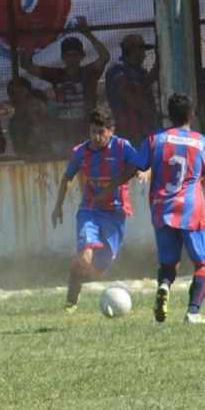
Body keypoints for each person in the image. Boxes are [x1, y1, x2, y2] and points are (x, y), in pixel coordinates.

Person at [97, 93, 205, 324]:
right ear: (191, 115)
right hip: (192, 210)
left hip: (163, 208)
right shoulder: (203, 143)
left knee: (168, 263)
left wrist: (109, 187)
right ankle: (193, 312)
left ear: (168, 115)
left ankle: (164, 286)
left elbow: (134, 168)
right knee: (204, 263)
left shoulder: (155, 139)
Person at [51, 107, 137, 313]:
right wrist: (58, 206)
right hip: (90, 209)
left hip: (116, 213)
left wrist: (146, 172)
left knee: (98, 271)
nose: (96, 137)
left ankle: (78, 277)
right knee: (84, 257)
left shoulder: (122, 147)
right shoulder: (80, 152)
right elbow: (68, 177)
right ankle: (71, 302)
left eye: (101, 132)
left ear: (111, 130)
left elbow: (141, 163)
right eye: (93, 132)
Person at [21, 16, 110, 154]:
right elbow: (26, 64)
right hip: (64, 133)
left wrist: (87, 33)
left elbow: (105, 57)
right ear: (63, 58)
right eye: (68, 55)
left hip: (88, 130)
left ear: (81, 56)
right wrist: (35, 37)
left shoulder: (88, 72)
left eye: (75, 55)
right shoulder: (57, 75)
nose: (72, 59)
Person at [105, 33, 159, 148]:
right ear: (133, 50)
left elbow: (148, 80)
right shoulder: (118, 67)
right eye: (142, 50)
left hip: (143, 130)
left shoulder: (138, 70)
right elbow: (128, 95)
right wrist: (151, 112)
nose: (144, 55)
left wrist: (159, 60)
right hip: (127, 131)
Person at [7, 77, 54, 158]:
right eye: (12, 94)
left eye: (21, 93)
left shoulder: (50, 108)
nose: (17, 98)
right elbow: (19, 149)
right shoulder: (14, 122)